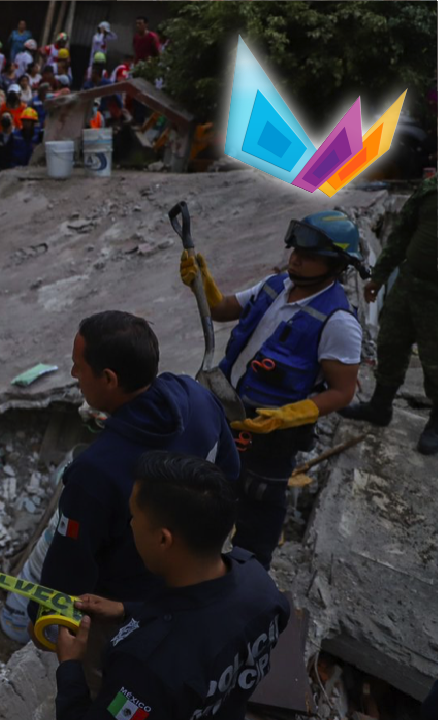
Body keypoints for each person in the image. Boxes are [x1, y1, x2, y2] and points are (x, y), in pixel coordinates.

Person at [7, 310, 240, 643]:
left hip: (124, 604)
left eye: (78, 366)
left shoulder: (96, 471)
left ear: (109, 379)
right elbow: (230, 472)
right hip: (194, 569)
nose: (73, 374)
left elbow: (70, 566)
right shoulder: (197, 396)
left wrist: (42, 617)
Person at [182, 211, 364, 568]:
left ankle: (248, 577)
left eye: (308, 256)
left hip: (271, 434)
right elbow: (222, 309)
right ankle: (197, 559)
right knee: (210, 489)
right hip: (228, 412)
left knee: (259, 505)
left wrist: (287, 416)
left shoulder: (338, 322)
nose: (296, 259)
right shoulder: (275, 286)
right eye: (295, 251)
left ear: (336, 264)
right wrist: (202, 284)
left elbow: (343, 391)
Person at [54, 452, 290, 720]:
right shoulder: (261, 588)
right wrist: (126, 610)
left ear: (163, 539)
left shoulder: (144, 670)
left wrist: (70, 666)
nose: (131, 524)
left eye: (134, 516)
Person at [339, 177, 438, 454]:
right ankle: (380, 406)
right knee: (390, 344)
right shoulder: (430, 191)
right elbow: (402, 235)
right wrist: (379, 276)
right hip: (409, 284)